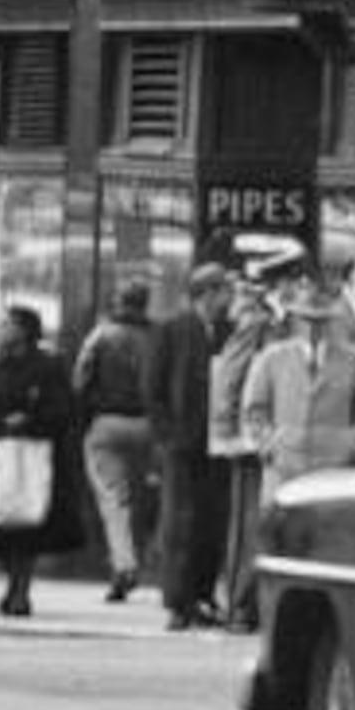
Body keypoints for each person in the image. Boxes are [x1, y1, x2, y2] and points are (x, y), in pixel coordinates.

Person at [242, 276, 355, 613]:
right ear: (294, 320)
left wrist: (353, 445)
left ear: (332, 321)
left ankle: (322, 616)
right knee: (277, 547)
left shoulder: (353, 360)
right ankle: (269, 614)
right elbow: (254, 411)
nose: (314, 328)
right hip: (284, 467)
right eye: (306, 320)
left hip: (333, 470)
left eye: (321, 321)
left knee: (328, 549)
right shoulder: (272, 358)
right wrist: (268, 444)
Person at [0, 303, 77, 618]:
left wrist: (30, 419)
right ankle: (12, 582)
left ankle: (20, 588)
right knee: (3, 521)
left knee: (28, 522)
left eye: (7, 325)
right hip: (0, 451)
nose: (1, 331)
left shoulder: (47, 367)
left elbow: (63, 409)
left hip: (34, 453)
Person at [147, 263, 236, 631]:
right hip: (184, 442)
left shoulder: (229, 332)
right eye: (224, 291)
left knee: (212, 523)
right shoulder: (173, 330)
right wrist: (167, 434)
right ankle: (177, 599)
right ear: (207, 293)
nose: (229, 299)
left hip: (219, 444)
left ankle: (203, 593)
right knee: (180, 522)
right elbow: (154, 387)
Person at [71, 278, 160, 602]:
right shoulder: (157, 337)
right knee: (152, 498)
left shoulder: (101, 335)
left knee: (114, 500)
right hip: (151, 425)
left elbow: (80, 381)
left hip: (107, 423)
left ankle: (124, 564)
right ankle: (154, 558)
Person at [209, 273, 286, 631]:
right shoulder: (257, 325)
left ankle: (250, 604)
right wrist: (230, 437)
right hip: (253, 442)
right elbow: (229, 380)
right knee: (248, 524)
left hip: (280, 441)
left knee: (264, 522)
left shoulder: (282, 324)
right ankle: (239, 605)